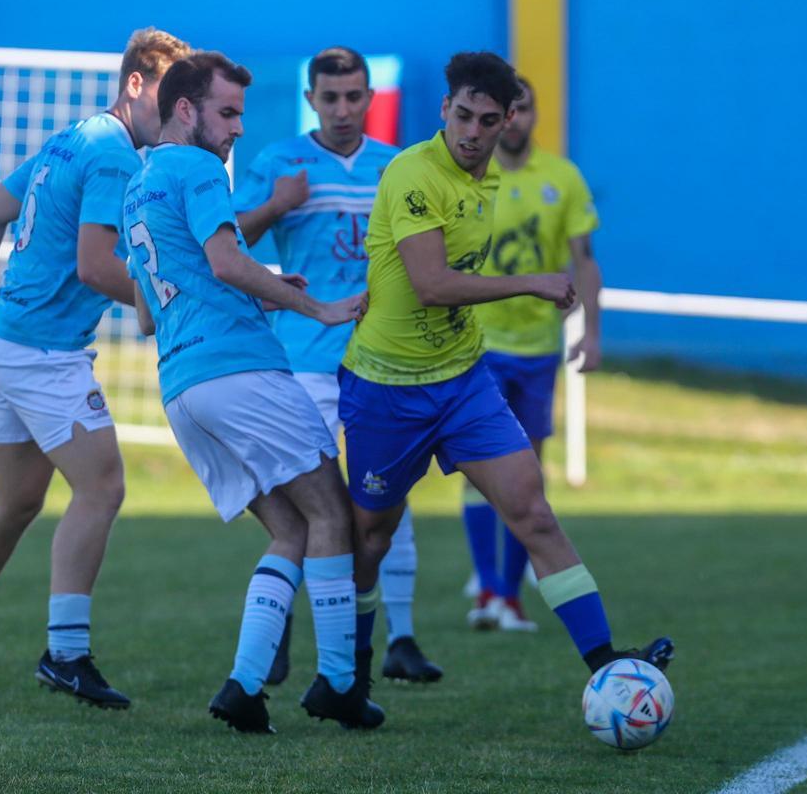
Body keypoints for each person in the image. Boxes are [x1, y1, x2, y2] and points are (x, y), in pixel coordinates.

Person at [340, 51, 673, 692]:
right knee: (370, 539)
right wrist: (533, 284)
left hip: (463, 381)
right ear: (444, 110)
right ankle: (349, 673)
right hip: (387, 386)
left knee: (534, 510)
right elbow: (432, 284)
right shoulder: (413, 172)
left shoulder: (493, 181)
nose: (470, 130)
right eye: (461, 115)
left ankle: (607, 666)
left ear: (506, 122)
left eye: (485, 120)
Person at [0, 28, 191, 711]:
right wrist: (175, 298)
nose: (182, 110)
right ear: (134, 84)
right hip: (42, 353)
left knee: (15, 502)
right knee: (103, 486)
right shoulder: (114, 154)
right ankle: (65, 654)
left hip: (7, 339)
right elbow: (96, 266)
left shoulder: (71, 137)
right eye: (171, 93)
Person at [123, 50, 384, 733]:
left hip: (183, 386)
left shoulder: (137, 186)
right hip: (240, 371)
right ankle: (338, 685)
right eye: (227, 112)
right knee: (333, 512)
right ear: (186, 109)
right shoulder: (200, 167)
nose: (238, 128)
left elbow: (150, 310)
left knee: (293, 529)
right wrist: (316, 309)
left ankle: (243, 689)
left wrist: (260, 294)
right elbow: (225, 260)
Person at [233, 46, 441, 685]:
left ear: (370, 98)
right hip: (305, 361)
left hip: (383, 361)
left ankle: (400, 639)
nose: (344, 109)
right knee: (310, 510)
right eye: (331, 98)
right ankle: (284, 640)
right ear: (312, 99)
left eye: (355, 97)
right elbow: (228, 241)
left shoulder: (397, 168)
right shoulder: (280, 162)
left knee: (388, 499)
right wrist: (276, 204)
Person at [462, 78, 605, 633]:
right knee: (477, 473)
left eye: (525, 109)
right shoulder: (473, 178)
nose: (515, 120)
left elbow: (585, 260)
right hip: (479, 344)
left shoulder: (562, 178)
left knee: (529, 477)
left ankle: (511, 599)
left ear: (535, 115)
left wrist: (591, 332)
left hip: (539, 350)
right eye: (507, 111)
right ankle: (491, 593)